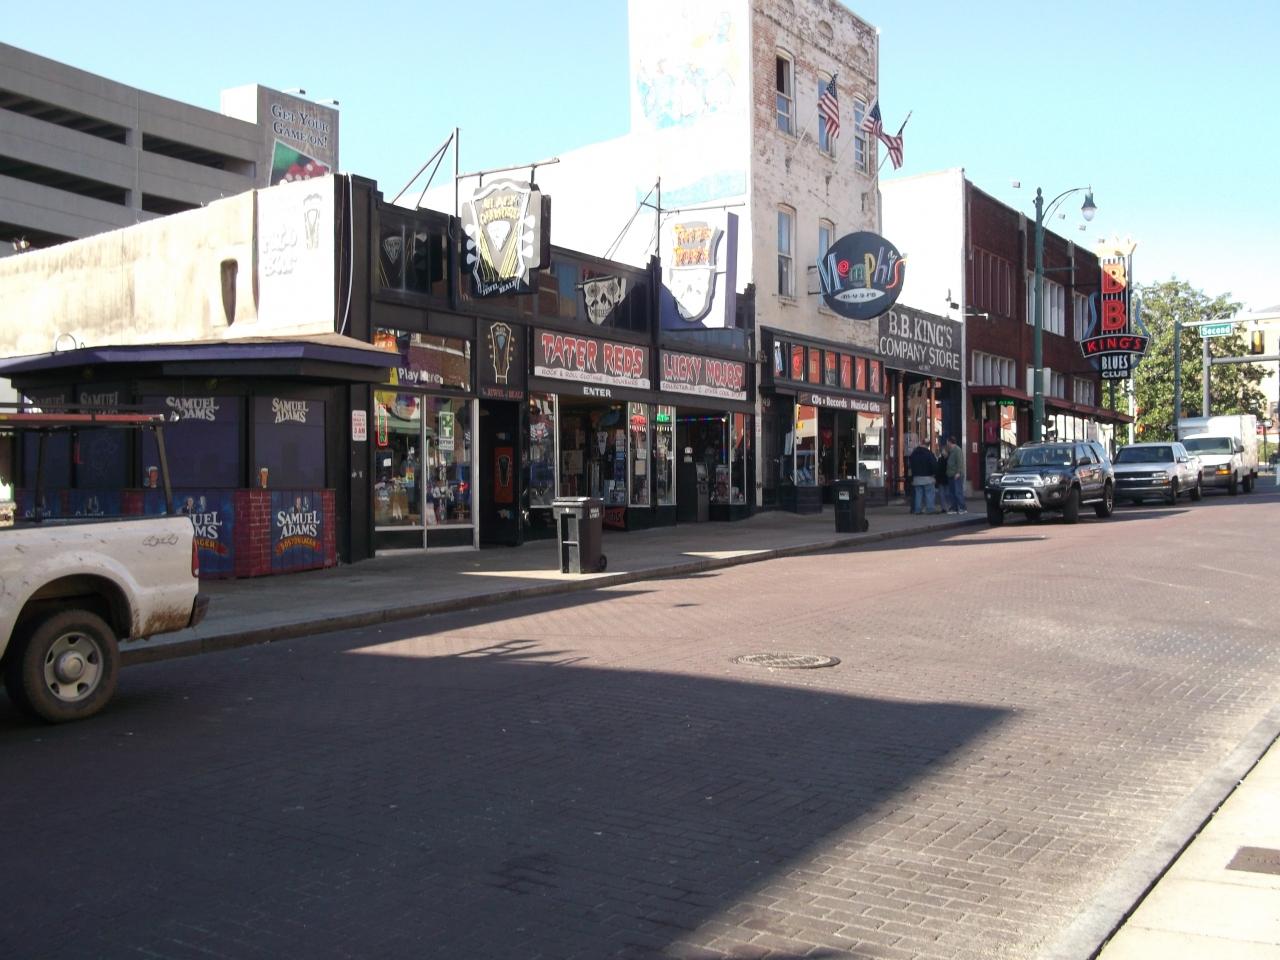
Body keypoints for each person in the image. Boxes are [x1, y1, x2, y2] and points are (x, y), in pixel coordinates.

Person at [907, 440, 937, 515]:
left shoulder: (913, 454)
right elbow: (934, 465)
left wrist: (911, 477)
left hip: (916, 477)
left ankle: (917, 509)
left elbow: (910, 466)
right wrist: (934, 474)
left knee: (918, 494)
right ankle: (930, 509)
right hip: (928, 477)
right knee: (929, 493)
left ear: (921, 444)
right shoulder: (929, 453)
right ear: (927, 445)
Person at [946, 435, 967, 513]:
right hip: (951, 474)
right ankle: (954, 508)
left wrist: (958, 472)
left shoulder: (957, 450)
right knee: (952, 492)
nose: (946, 443)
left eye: (947, 442)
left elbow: (960, 462)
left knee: (958, 492)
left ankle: (962, 508)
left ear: (949, 442)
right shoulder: (951, 450)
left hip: (956, 474)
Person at [933, 440, 951, 513]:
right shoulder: (941, 459)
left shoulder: (948, 459)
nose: (942, 452)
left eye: (943, 451)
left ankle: (947, 507)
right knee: (942, 494)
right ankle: (944, 508)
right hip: (942, 479)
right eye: (942, 451)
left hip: (946, 478)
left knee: (946, 494)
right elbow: (938, 469)